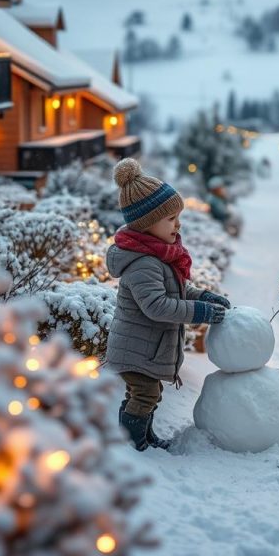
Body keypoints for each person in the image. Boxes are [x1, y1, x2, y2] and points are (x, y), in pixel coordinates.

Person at [105, 158, 230, 451]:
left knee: (148, 393)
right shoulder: (143, 264)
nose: (178, 224)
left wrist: (201, 296)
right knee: (145, 394)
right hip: (136, 349)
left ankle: (140, 437)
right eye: (170, 219)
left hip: (146, 347)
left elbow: (178, 288)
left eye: (178, 216)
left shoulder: (157, 257)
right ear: (147, 224)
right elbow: (157, 306)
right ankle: (132, 443)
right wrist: (199, 313)